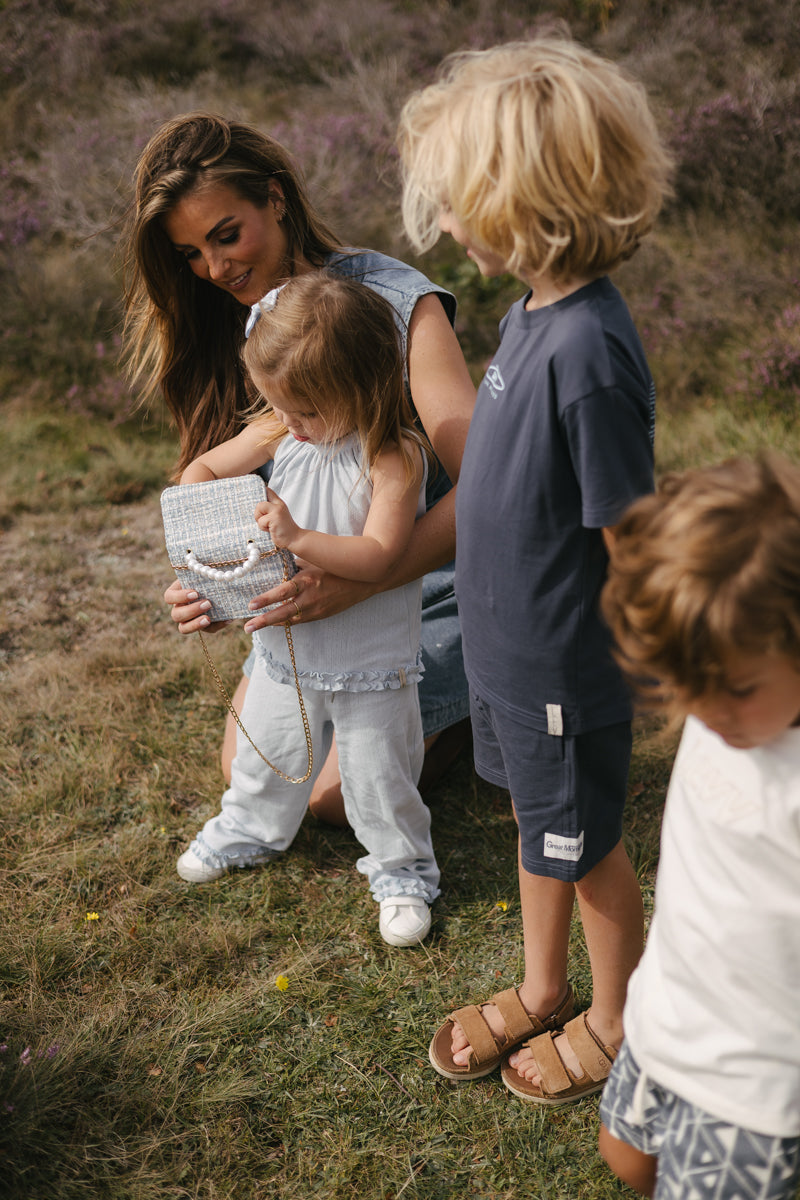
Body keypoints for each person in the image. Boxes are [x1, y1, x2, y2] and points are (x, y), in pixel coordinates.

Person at [397, 35, 672, 1100]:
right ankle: (540, 985)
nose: (451, 223)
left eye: (459, 198)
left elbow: (629, 535)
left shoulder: (590, 350)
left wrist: (666, 661)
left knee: (586, 845)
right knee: (535, 826)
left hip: (563, 671)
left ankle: (616, 1019)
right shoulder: (529, 313)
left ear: (523, 198)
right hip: (505, 659)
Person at [122, 111, 475, 826]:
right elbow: (219, 484)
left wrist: (355, 581)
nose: (216, 269)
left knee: (326, 799)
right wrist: (215, 583)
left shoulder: (393, 300)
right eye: (190, 253)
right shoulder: (224, 319)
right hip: (308, 603)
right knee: (256, 776)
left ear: (276, 198)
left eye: (227, 235)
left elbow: (488, 487)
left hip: (426, 588)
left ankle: (472, 705)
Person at [173, 271, 440, 947]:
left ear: (362, 386)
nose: (291, 424)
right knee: (268, 750)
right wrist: (215, 542)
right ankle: (248, 829)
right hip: (287, 649)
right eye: (280, 408)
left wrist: (298, 538)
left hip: (370, 658)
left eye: (307, 412)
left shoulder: (394, 455)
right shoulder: (280, 430)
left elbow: (380, 554)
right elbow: (198, 474)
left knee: (378, 775)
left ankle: (403, 869)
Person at [598, 454, 800, 1200]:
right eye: (688, 685)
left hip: (754, 1076)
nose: (708, 711)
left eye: (737, 689)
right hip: (667, 1009)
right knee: (627, 1158)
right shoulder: (728, 686)